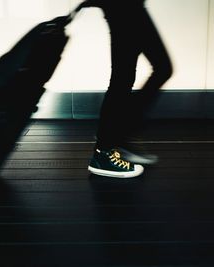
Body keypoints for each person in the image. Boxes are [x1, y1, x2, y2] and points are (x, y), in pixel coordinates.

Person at [81, 0, 173, 178]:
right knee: (126, 78)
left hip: (128, 6)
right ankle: (104, 151)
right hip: (123, 7)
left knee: (128, 77)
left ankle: (118, 136)